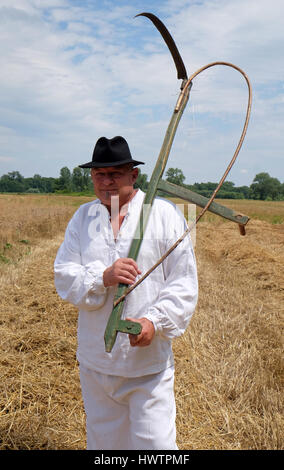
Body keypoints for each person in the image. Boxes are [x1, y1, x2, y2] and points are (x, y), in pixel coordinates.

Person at [54, 136, 198, 450]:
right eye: (99, 175)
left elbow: (183, 282)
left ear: (133, 175)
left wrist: (154, 322)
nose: (106, 182)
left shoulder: (163, 214)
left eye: (115, 174)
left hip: (147, 367)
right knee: (105, 445)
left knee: (155, 447)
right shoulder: (83, 217)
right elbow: (64, 275)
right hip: (96, 362)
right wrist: (103, 277)